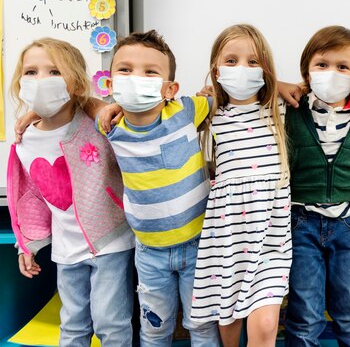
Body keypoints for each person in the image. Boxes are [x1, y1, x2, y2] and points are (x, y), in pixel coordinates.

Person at [6, 38, 135, 346]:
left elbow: (130, 143)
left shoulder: (97, 125)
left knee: (110, 323)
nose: (41, 81)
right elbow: (32, 199)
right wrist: (27, 245)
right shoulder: (25, 140)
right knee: (73, 325)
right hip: (66, 251)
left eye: (54, 72)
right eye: (31, 72)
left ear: (76, 83)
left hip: (111, 242)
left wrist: (94, 104)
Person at [97, 30, 219, 346]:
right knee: (154, 330)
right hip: (149, 252)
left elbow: (222, 94)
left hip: (198, 246)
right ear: (109, 85)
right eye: (125, 70)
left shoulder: (186, 110)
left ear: (170, 89)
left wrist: (212, 90)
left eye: (150, 72)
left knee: (203, 328)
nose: (136, 78)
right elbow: (79, 103)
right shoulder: (109, 125)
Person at [189, 24, 291, 347]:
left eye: (253, 61)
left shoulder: (279, 109)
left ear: (266, 70)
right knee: (228, 325)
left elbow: (322, 89)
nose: (242, 69)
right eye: (231, 61)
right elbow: (152, 115)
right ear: (216, 70)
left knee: (264, 324)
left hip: (270, 238)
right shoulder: (210, 112)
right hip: (228, 237)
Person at [283, 26, 350, 347]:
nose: (331, 73)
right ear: (307, 71)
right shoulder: (291, 109)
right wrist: (293, 86)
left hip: (347, 223)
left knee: (348, 307)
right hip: (301, 223)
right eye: (322, 65)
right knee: (305, 310)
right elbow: (254, 90)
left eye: (343, 67)